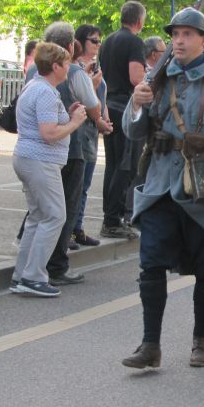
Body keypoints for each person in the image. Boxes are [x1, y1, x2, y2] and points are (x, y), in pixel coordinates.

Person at [120, 8, 204, 370]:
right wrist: (137, 104)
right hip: (162, 186)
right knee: (150, 264)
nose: (178, 40)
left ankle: (201, 339)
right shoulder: (158, 78)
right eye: (175, 34)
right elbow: (133, 132)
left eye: (187, 34)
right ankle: (150, 344)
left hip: (203, 187)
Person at [11, 43, 86, 296]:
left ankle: (22, 274)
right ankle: (33, 276)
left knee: (37, 217)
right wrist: (74, 122)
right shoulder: (45, 92)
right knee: (54, 216)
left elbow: (47, 123)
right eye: (66, 64)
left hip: (29, 159)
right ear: (55, 67)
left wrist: (67, 114)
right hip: (40, 161)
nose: (69, 68)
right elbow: (49, 133)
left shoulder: (36, 87)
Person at [35, 22, 105, 286]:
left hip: (44, 151)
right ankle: (56, 265)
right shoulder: (74, 72)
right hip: (70, 147)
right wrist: (92, 92)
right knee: (64, 208)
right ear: (69, 45)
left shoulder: (34, 71)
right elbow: (91, 105)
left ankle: (37, 264)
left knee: (44, 209)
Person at [98, 0, 147, 239]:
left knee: (112, 164)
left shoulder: (107, 41)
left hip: (109, 105)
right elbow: (136, 77)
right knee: (126, 165)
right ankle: (112, 219)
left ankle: (109, 216)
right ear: (139, 21)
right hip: (125, 108)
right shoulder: (134, 41)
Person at [72, 24, 113, 247]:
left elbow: (99, 97)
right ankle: (71, 229)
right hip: (81, 130)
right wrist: (98, 119)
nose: (97, 45)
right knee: (78, 181)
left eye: (99, 41)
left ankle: (77, 227)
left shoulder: (94, 68)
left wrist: (104, 118)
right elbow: (86, 99)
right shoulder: (78, 69)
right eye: (93, 41)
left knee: (85, 182)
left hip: (91, 130)